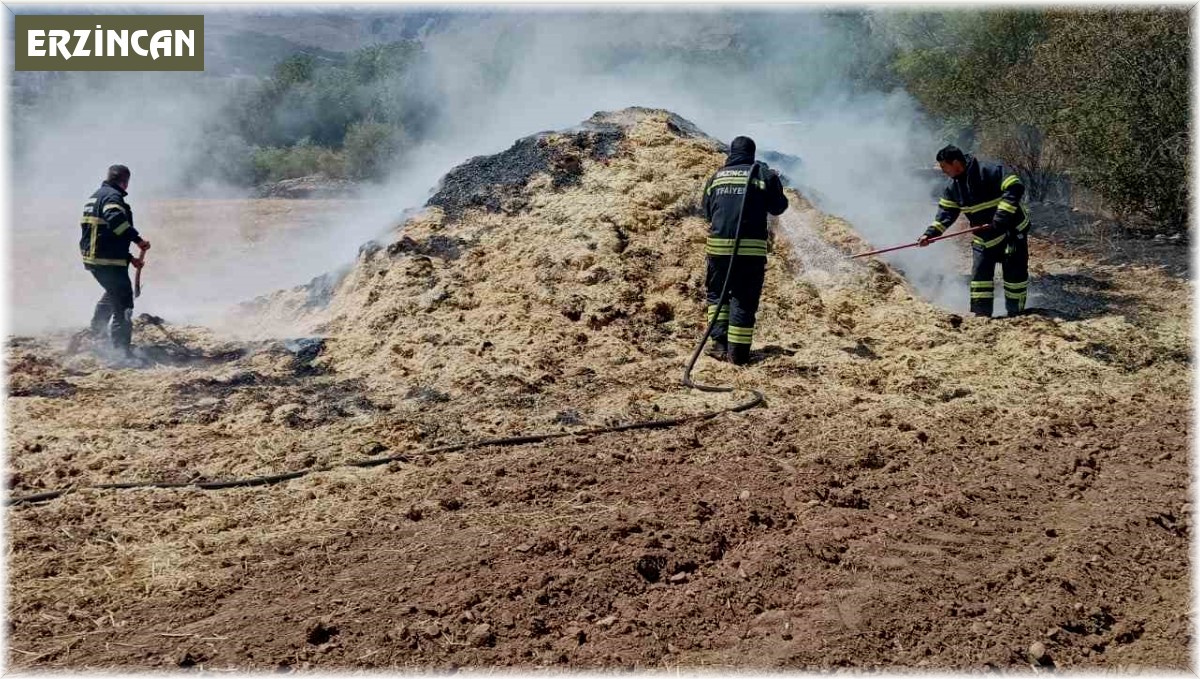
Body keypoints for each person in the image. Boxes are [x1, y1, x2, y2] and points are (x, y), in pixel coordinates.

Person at [701, 136, 789, 365]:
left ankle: (719, 345)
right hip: (750, 252)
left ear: (731, 152)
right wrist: (775, 183)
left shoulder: (716, 177)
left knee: (717, 296)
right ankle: (738, 355)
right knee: (744, 299)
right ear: (752, 153)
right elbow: (778, 207)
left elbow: (708, 213)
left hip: (718, 251)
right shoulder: (762, 175)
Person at [919, 145, 1030, 317]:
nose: (942, 171)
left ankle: (1016, 316)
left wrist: (1001, 217)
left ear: (955, 163)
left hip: (1012, 233)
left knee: (1014, 278)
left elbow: (1015, 186)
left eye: (943, 167)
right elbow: (945, 214)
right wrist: (930, 234)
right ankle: (981, 317)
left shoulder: (990, 170)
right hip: (984, 239)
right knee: (980, 280)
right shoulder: (952, 188)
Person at [80, 164, 150, 356]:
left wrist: (129, 258)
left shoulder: (97, 195)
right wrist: (138, 240)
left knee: (113, 292)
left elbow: (105, 234)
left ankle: (97, 332)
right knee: (124, 303)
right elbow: (116, 221)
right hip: (107, 260)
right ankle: (121, 353)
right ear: (125, 182)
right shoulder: (112, 197)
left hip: (98, 258)